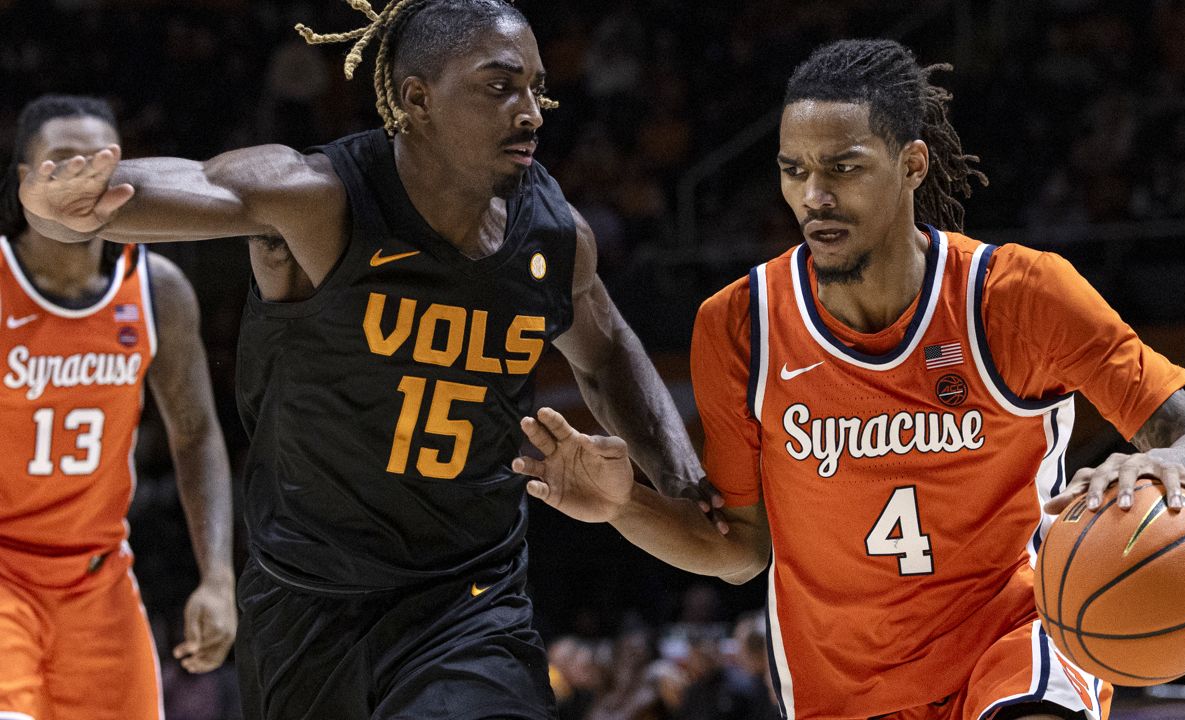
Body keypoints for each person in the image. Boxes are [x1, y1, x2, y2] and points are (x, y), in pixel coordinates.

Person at [18, 2, 715, 719]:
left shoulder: (553, 233)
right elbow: (205, 185)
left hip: (469, 598)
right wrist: (62, 205)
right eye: (501, 86)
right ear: (416, 98)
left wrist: (680, 476)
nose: (532, 111)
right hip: (307, 598)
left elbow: (604, 355)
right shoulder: (320, 200)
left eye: (538, 88)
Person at [513, 39, 1185, 720]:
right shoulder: (741, 325)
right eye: (794, 170)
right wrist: (622, 508)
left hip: (1017, 640)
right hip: (840, 685)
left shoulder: (1022, 296)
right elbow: (740, 550)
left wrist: (1164, 465)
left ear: (912, 164)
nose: (813, 197)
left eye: (844, 167)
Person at [0, 95, 236, 720]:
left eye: (98, 164)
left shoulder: (158, 289)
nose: (81, 178)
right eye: (60, 163)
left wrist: (217, 576)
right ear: (26, 183)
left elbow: (196, 435)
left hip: (99, 580)